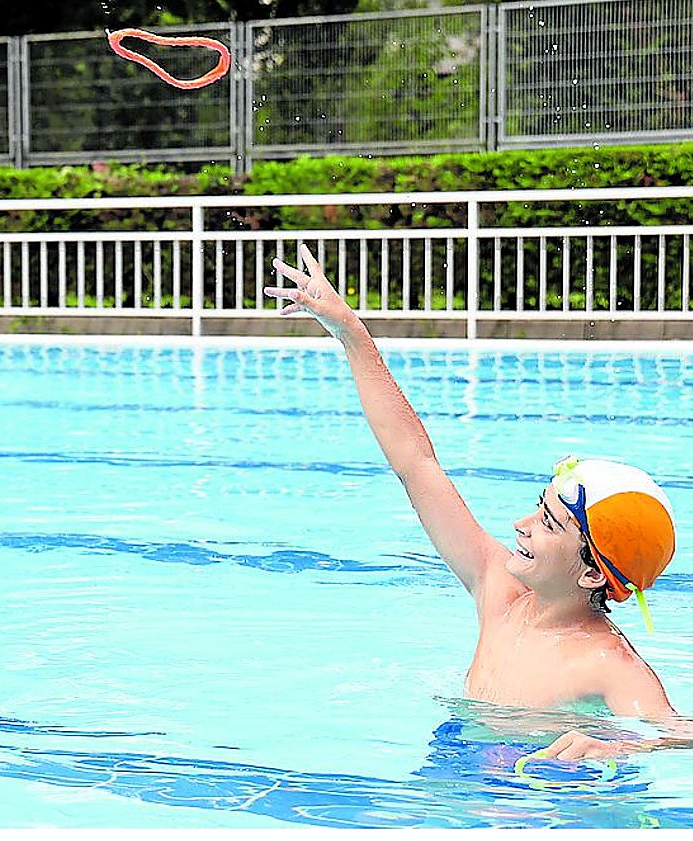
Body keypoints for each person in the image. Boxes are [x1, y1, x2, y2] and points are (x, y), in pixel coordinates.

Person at [265, 245, 681, 738]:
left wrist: (621, 748)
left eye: (548, 524)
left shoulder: (608, 664)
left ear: (592, 572)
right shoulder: (499, 591)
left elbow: (676, 733)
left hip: (537, 779)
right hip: (460, 762)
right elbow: (416, 465)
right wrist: (351, 333)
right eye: (538, 509)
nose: (521, 525)